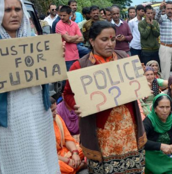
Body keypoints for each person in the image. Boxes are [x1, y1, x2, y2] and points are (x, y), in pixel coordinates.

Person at [0, 0, 60, 173]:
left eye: (17, 9)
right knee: (15, 163)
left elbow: (44, 80)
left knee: (42, 159)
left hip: (38, 112)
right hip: (7, 118)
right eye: (8, 9)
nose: (14, 14)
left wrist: (55, 56)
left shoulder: (36, 42)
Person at [63, 21, 146, 173]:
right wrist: (78, 104)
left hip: (128, 127)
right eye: (104, 39)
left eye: (113, 39)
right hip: (100, 131)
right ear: (92, 41)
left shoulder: (124, 58)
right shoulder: (81, 66)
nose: (110, 44)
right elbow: (67, 93)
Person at [50, 98, 86, 174]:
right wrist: (68, 160)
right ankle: (79, 166)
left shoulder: (57, 118)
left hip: (64, 150)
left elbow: (67, 139)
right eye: (52, 111)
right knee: (60, 167)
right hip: (54, 157)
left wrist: (75, 153)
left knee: (83, 149)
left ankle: (75, 165)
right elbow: (48, 154)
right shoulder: (40, 128)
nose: (56, 112)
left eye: (55, 109)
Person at [56, 5, 83, 71]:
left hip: (75, 55)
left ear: (70, 14)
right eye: (60, 15)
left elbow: (81, 38)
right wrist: (76, 36)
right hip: (66, 57)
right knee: (67, 78)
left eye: (64, 15)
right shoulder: (59, 24)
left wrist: (70, 38)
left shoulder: (74, 24)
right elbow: (68, 39)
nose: (62, 17)